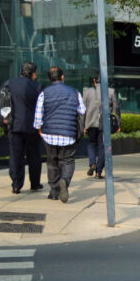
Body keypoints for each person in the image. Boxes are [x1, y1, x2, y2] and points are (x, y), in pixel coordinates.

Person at [33, 66, 86, 203]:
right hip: (68, 134)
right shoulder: (75, 92)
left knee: (52, 162)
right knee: (67, 160)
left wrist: (39, 128)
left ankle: (54, 191)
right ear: (62, 77)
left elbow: (38, 114)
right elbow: (82, 111)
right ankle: (65, 181)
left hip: (49, 134)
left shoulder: (44, 93)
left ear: (50, 78)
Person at [6, 62, 43, 194]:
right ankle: (35, 183)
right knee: (34, 155)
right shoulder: (38, 86)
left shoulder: (10, 84)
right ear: (33, 73)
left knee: (15, 155)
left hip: (14, 125)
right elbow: (41, 108)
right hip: (32, 127)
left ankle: (16, 185)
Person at [82, 73, 121, 179]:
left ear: (94, 81)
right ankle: (98, 172)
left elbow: (83, 110)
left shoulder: (87, 92)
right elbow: (116, 108)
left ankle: (92, 163)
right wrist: (118, 123)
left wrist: (83, 125)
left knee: (91, 144)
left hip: (90, 123)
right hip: (105, 124)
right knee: (102, 146)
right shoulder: (111, 91)